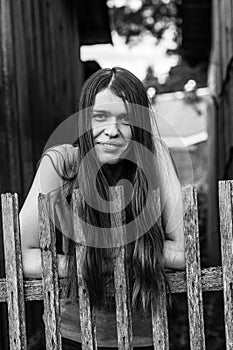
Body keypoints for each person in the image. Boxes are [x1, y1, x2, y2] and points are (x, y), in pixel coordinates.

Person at [20, 67, 185, 349]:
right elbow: (23, 255)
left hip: (145, 336)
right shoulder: (62, 163)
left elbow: (183, 252)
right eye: (100, 117)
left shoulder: (152, 158)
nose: (112, 130)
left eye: (126, 119)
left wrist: (155, 148)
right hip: (72, 335)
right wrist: (84, 262)